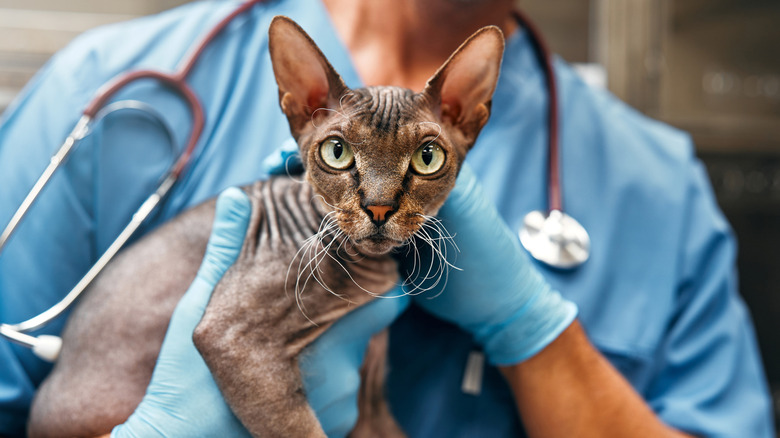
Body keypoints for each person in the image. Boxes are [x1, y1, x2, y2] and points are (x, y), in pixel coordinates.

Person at [0, 0, 774, 436]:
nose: (376, 201)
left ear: (471, 113)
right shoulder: (108, 93)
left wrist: (533, 330)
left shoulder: (657, 185)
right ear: (300, 107)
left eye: (428, 161)